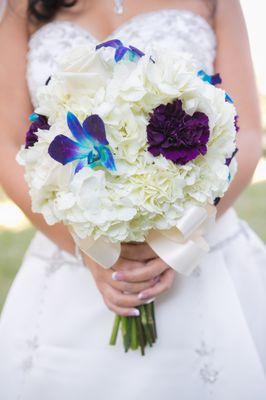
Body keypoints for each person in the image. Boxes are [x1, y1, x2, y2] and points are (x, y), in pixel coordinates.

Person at [0, 0, 265, 399]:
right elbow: (6, 140)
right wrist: (88, 248)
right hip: (71, 252)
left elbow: (246, 132)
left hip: (198, 248)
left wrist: (178, 234)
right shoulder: (25, 5)